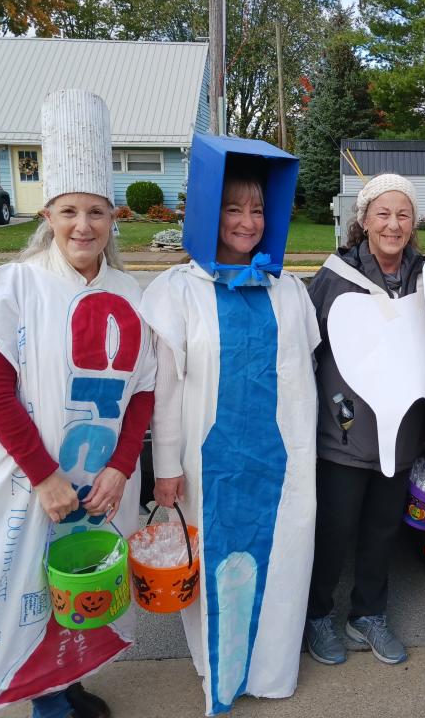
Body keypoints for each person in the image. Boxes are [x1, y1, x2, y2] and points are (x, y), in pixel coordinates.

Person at [0, 90, 156, 718]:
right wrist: (45, 476)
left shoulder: (131, 294)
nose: (83, 226)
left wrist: (122, 467)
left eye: (97, 212)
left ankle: (65, 682)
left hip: (98, 483)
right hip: (28, 485)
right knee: (19, 593)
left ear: (113, 219)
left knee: (81, 587)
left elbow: (144, 393)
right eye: (70, 211)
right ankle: (44, 702)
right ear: (47, 214)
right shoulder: (12, 289)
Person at [140, 136, 319, 715]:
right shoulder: (177, 293)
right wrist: (166, 469)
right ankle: (219, 672)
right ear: (209, 212)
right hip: (208, 465)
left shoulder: (288, 290)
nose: (247, 221)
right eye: (234, 208)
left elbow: (305, 374)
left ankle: (269, 671)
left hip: (283, 463)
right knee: (218, 565)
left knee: (283, 564)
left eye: (258, 209)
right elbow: (165, 389)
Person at [303, 174, 425, 666]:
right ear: (364, 220)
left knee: (381, 530)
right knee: (334, 531)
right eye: (383, 213)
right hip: (345, 435)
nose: (393, 224)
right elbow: (306, 348)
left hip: (401, 436)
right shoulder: (335, 277)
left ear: (414, 222)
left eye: (403, 215)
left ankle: (368, 614)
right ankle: (317, 616)